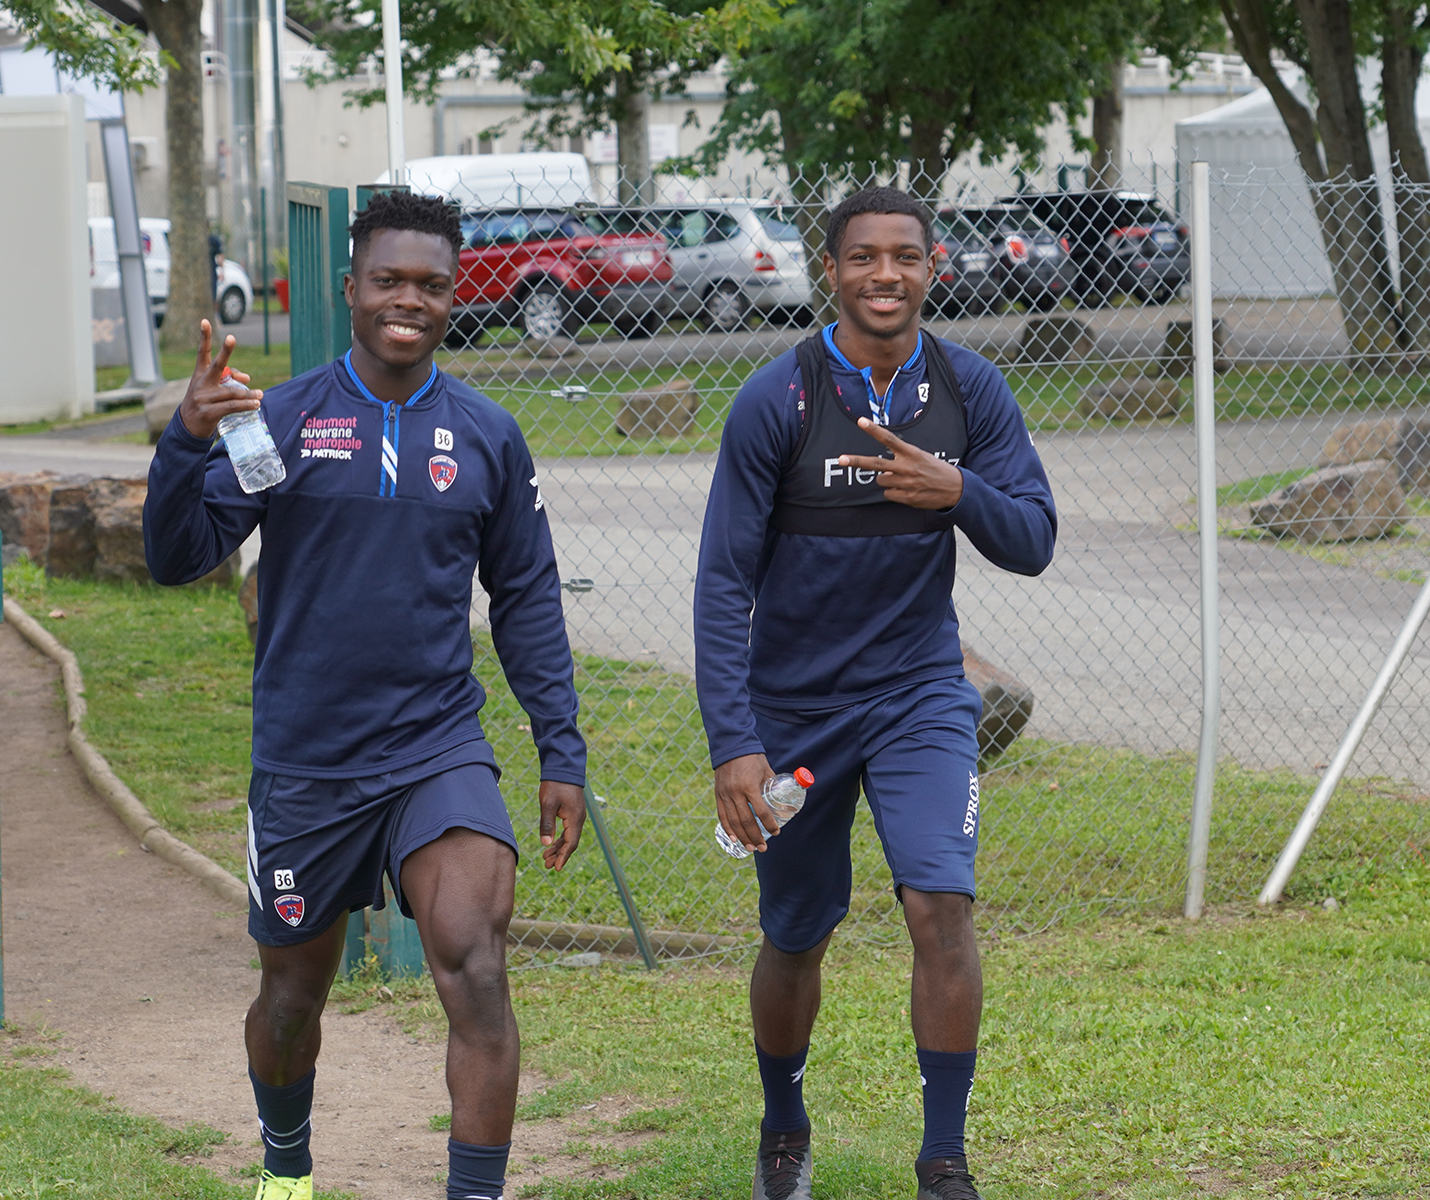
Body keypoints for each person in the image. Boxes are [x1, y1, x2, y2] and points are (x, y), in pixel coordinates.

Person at [144, 191, 588, 1200]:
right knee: (292, 995)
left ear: (453, 295)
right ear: (350, 289)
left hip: (437, 749)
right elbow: (176, 557)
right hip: (308, 761)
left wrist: (559, 749)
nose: (408, 301)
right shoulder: (282, 421)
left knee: (475, 961)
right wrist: (183, 439)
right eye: (387, 280)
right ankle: (287, 1167)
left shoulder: (486, 434)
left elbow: (524, 597)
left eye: (431, 284)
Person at [692, 186, 1056, 1200]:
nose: (883, 274)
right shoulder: (781, 399)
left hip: (919, 696)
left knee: (942, 904)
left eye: (904, 256)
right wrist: (734, 744)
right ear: (834, 270)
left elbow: (1032, 537)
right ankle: (783, 1129)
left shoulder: (968, 388)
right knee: (795, 932)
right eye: (863, 257)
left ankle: (943, 1161)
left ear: (931, 269)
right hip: (795, 713)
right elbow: (723, 583)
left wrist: (960, 493)